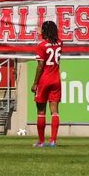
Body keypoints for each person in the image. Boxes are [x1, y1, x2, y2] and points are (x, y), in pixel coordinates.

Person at [31, 20, 63, 148]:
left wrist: (35, 83)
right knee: (54, 111)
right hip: (56, 79)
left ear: (45, 31)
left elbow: (40, 65)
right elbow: (53, 42)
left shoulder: (41, 46)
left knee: (41, 111)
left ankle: (41, 141)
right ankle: (53, 140)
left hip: (45, 79)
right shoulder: (60, 43)